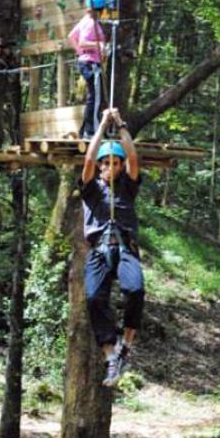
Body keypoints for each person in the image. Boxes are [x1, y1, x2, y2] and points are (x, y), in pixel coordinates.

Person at [80, 107, 144, 387]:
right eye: (105, 163)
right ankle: (110, 356)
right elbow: (89, 159)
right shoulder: (91, 189)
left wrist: (120, 125)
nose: (109, 167)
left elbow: (131, 156)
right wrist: (101, 126)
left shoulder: (128, 188)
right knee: (94, 298)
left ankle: (126, 346)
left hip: (125, 247)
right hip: (99, 251)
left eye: (114, 164)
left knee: (135, 289)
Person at [67, 0, 107, 138]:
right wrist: (99, 45)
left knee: (93, 97)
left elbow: (71, 37)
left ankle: (85, 131)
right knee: (95, 98)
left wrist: (79, 53)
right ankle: (91, 132)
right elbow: (83, 42)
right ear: (101, 9)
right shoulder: (91, 23)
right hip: (91, 64)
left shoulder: (84, 20)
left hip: (87, 61)